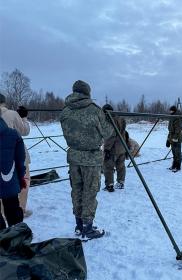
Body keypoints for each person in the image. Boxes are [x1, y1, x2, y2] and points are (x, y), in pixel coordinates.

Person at [60, 80, 114, 239]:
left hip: (74, 157)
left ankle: (79, 224)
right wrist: (109, 120)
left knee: (77, 190)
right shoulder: (95, 110)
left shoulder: (65, 110)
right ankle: (87, 228)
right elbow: (107, 132)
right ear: (87, 92)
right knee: (90, 192)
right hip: (91, 159)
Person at [0, 94, 31, 218]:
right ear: (4, 102)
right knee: (23, 181)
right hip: (16, 155)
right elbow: (25, 131)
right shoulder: (12, 114)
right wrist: (23, 117)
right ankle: (21, 209)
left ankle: (2, 212)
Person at [0, 116, 26, 230]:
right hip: (8, 178)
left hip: (8, 177)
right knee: (13, 213)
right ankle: (16, 240)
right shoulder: (13, 134)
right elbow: (20, 160)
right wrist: (20, 178)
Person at [102, 104, 127, 192]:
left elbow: (111, 136)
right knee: (121, 166)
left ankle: (109, 185)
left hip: (113, 148)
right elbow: (125, 133)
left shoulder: (109, 119)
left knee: (108, 167)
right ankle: (120, 182)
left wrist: (107, 149)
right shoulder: (121, 119)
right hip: (122, 147)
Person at [166, 105, 182, 172]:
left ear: (174, 111)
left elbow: (178, 129)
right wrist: (168, 139)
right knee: (173, 152)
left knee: (177, 152)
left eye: (171, 110)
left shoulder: (177, 117)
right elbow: (170, 130)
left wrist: (175, 137)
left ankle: (178, 166)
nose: (170, 112)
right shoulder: (172, 117)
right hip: (172, 136)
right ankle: (174, 165)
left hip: (177, 137)